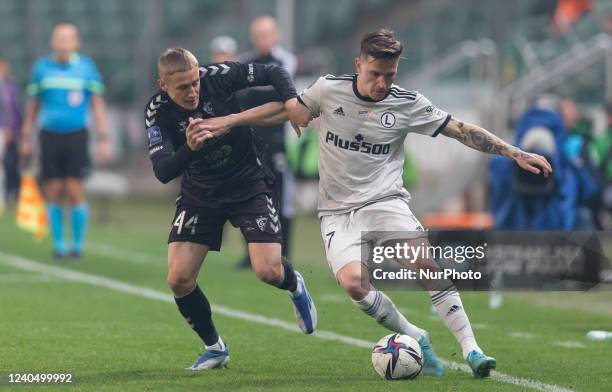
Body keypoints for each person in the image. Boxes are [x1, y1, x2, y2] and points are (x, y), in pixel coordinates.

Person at [260, 29, 551, 378]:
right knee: (354, 284)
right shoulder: (328, 88)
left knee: (425, 265)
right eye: (375, 74)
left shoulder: (407, 103)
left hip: (386, 201)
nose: (382, 83)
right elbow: (287, 110)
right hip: (337, 212)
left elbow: (460, 129)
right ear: (358, 65)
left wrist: (514, 152)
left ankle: (472, 349)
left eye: (390, 75)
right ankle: (416, 336)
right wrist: (225, 122)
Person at [144, 47, 316, 370]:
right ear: (163, 85)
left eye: (194, 82)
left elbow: (272, 73)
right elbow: (163, 171)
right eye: (183, 87)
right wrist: (191, 149)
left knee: (268, 270)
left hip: (247, 181)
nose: (193, 91)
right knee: (178, 279)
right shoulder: (157, 112)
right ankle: (215, 348)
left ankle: (295, 285)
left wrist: (291, 101)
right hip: (200, 193)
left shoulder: (216, 76)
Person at [20, 22, 110, 258]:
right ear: (53, 41)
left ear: (76, 43)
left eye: (68, 38)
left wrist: (103, 137)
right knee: (52, 189)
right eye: (59, 38)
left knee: (74, 188)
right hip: (48, 135)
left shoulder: (87, 68)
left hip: (77, 135)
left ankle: (77, 246)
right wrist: (26, 136)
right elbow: (33, 104)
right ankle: (59, 246)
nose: (63, 42)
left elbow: (97, 103)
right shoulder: (41, 68)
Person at [235, 15, 298, 268]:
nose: (262, 39)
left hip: (279, 142)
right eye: (258, 35)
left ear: (276, 36)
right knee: (247, 197)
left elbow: (284, 93)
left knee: (282, 198)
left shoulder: (286, 61)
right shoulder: (244, 62)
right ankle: (251, 253)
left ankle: (284, 252)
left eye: (266, 34)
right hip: (250, 141)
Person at [0, 59, 21, 205]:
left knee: (11, 164)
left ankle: (9, 194)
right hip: (2, 131)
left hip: (12, 132)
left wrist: (15, 129)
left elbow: (15, 110)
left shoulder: (10, 86)